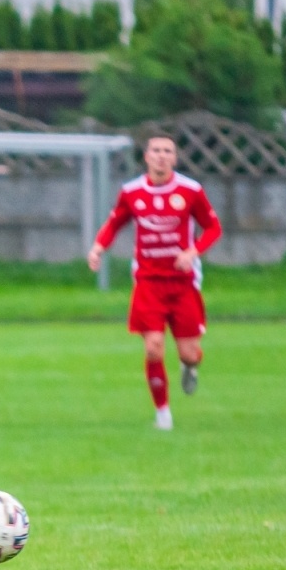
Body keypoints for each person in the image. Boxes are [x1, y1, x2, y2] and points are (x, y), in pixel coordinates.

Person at [88, 135, 222, 430]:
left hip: (184, 282)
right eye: (156, 151)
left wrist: (193, 251)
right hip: (148, 282)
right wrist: (99, 247)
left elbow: (213, 228)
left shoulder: (190, 190)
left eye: (167, 151)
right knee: (153, 348)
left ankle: (190, 366)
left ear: (174, 158)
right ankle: (163, 413)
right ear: (146, 157)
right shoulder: (131, 192)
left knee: (189, 352)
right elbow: (114, 223)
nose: (161, 156)